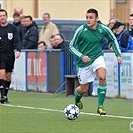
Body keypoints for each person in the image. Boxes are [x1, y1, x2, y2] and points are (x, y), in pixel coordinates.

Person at [69, 8, 123, 115]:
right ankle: (77, 99)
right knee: (84, 89)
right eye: (87, 18)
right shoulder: (81, 30)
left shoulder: (103, 29)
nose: (88, 20)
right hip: (83, 62)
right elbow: (71, 46)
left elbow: (113, 39)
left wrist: (118, 55)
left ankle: (100, 107)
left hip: (97, 57)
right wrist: (81, 56)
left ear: (97, 19)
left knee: (102, 78)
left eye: (91, 18)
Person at [0, 9, 21, 103]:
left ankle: (5, 95)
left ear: (6, 16)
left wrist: (18, 50)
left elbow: (17, 40)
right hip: (0, 54)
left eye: (3, 15)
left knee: (8, 76)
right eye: (0, 16)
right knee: (2, 73)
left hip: (10, 55)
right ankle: (3, 96)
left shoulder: (12, 28)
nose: (2, 17)